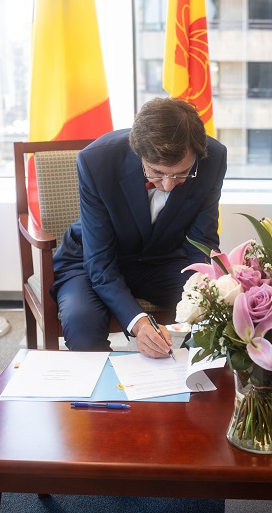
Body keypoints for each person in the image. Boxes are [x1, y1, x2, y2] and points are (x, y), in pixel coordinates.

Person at [51, 97, 227, 356]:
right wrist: (139, 323)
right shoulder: (96, 160)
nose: (168, 185)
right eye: (156, 172)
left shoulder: (214, 158)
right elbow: (99, 262)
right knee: (82, 328)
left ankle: (191, 386)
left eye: (181, 174)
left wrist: (203, 300)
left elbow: (201, 245)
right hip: (90, 261)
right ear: (139, 153)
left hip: (162, 260)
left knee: (217, 311)